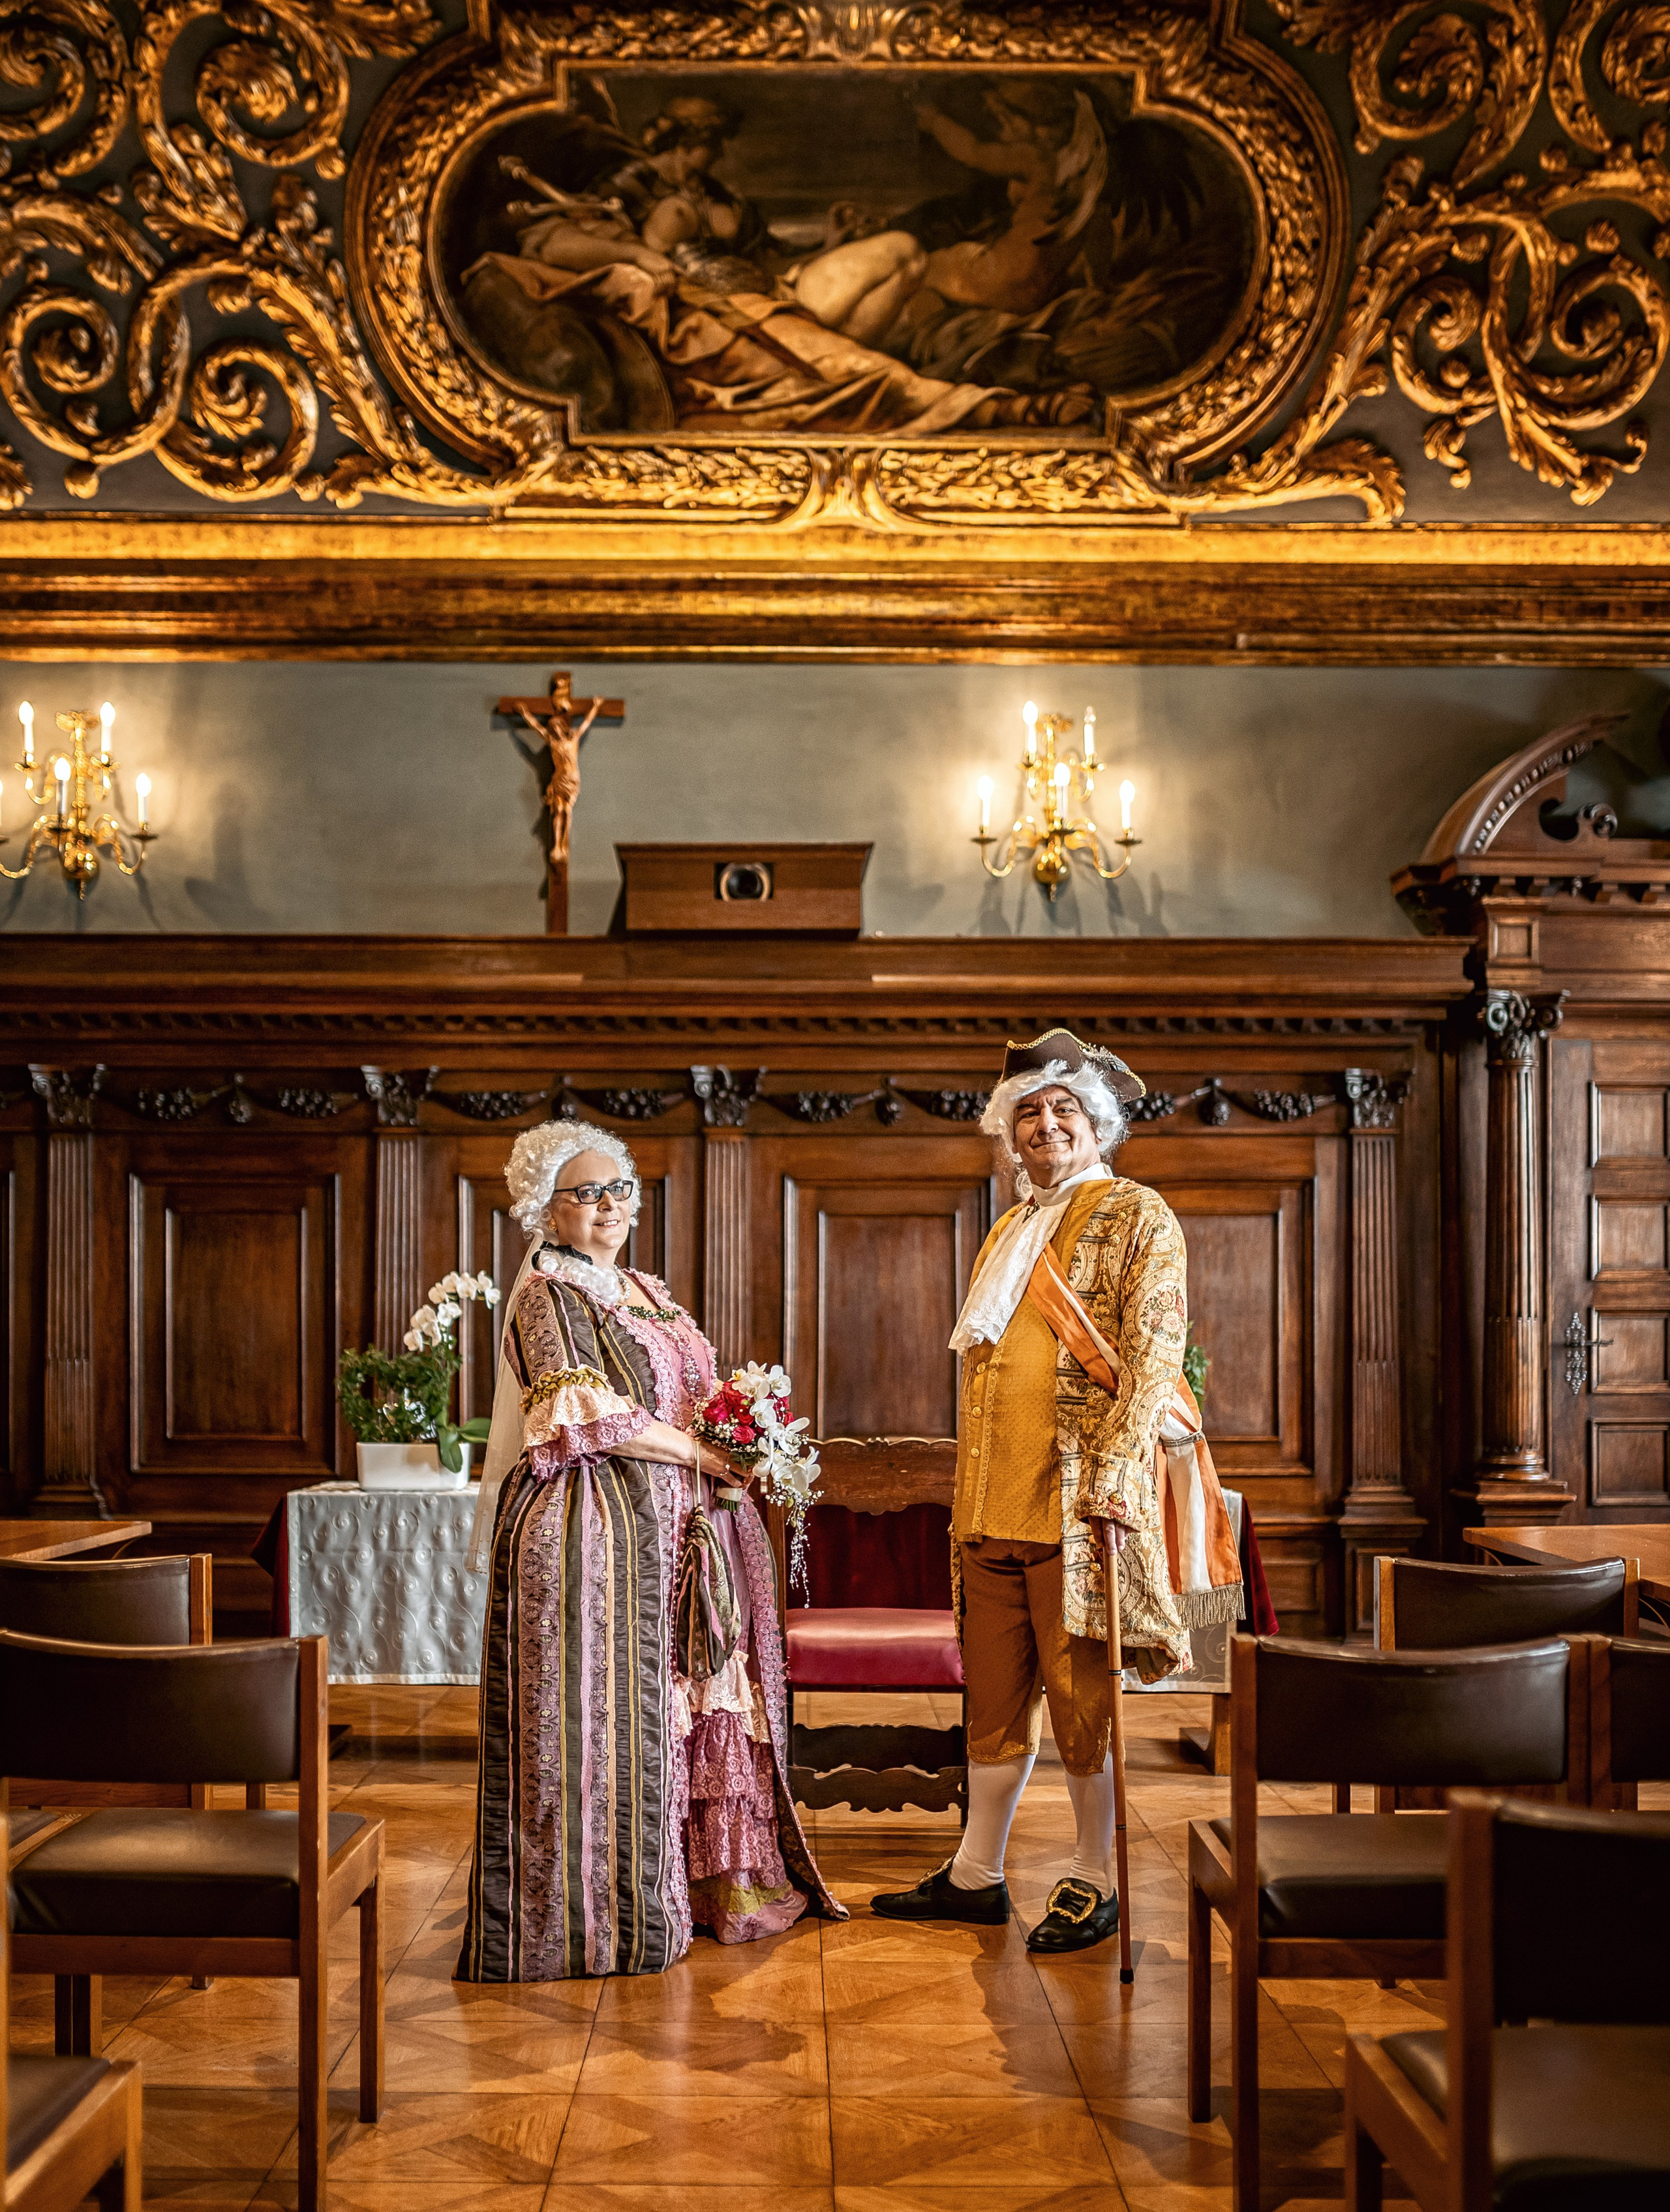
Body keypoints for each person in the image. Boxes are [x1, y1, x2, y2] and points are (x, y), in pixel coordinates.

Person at [870, 1027, 1239, 1954]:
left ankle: (1090, 1876)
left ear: (1099, 1123)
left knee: (1084, 1703)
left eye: (1064, 1110)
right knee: (992, 1705)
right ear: (1008, 1133)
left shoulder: (1136, 1213)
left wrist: (1116, 1473)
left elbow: (1154, 1350)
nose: (1045, 1126)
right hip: (992, 1501)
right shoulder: (1006, 1227)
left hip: (1078, 1503)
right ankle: (976, 1874)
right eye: (1028, 1113)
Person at [459, 1119, 843, 1982]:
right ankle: (608, 1920)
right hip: (591, 1539)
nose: (609, 1208)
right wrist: (709, 1454)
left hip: (677, 1534)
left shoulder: (644, 1290)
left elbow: (697, 1393)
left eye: (620, 1191)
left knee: (682, 1713)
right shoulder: (543, 1296)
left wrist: (747, 1436)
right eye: (586, 1195)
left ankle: (705, 1890)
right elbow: (586, 1410)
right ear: (542, 1209)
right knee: (605, 1725)